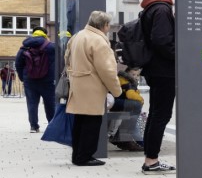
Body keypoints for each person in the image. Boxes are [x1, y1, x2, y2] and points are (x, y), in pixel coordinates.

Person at [65, 11, 122, 166]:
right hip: (92, 87)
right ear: (104, 25)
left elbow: (67, 58)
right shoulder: (99, 41)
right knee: (92, 122)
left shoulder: (77, 36)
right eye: (108, 25)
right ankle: (85, 157)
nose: (109, 28)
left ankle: (77, 155)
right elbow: (107, 70)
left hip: (78, 84)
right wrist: (116, 90)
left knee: (80, 122)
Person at [139, 0, 176, 173]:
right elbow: (162, 40)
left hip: (156, 69)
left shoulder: (152, 6)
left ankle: (150, 157)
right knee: (161, 115)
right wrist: (179, 56)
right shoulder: (161, 9)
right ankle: (151, 160)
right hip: (163, 70)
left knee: (156, 114)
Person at [15, 27, 55, 133]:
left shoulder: (24, 47)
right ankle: (51, 126)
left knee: (32, 103)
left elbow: (18, 63)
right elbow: (56, 63)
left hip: (30, 80)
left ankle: (34, 126)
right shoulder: (50, 47)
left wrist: (22, 77)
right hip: (48, 80)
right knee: (50, 103)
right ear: (45, 34)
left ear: (33, 34)